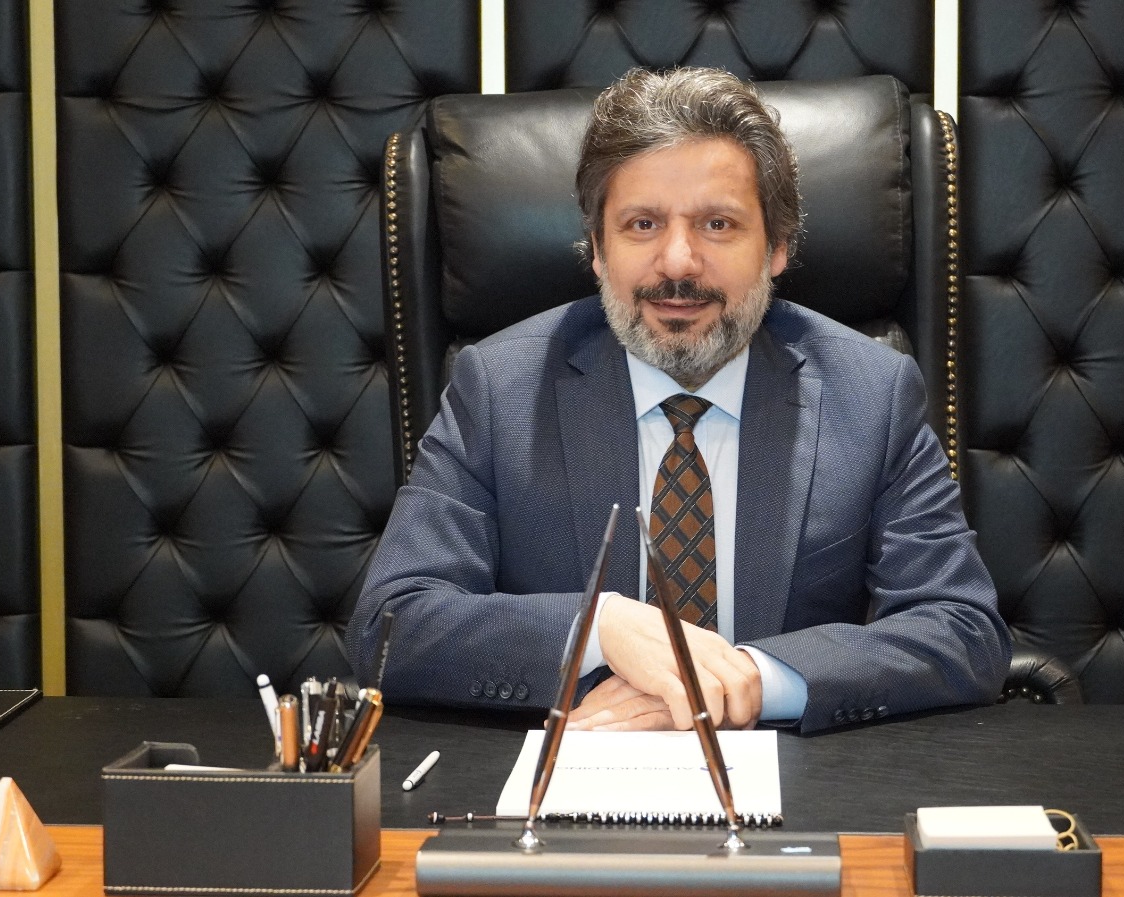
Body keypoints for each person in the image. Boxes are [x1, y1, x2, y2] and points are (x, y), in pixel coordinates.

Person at [345, 67, 1009, 733]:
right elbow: (390, 624)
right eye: (642, 224)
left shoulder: (872, 392)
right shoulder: (498, 389)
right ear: (598, 249)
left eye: (718, 224)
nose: (678, 262)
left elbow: (963, 628)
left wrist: (752, 680)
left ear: (778, 247)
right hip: (578, 764)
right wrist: (598, 628)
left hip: (789, 774)